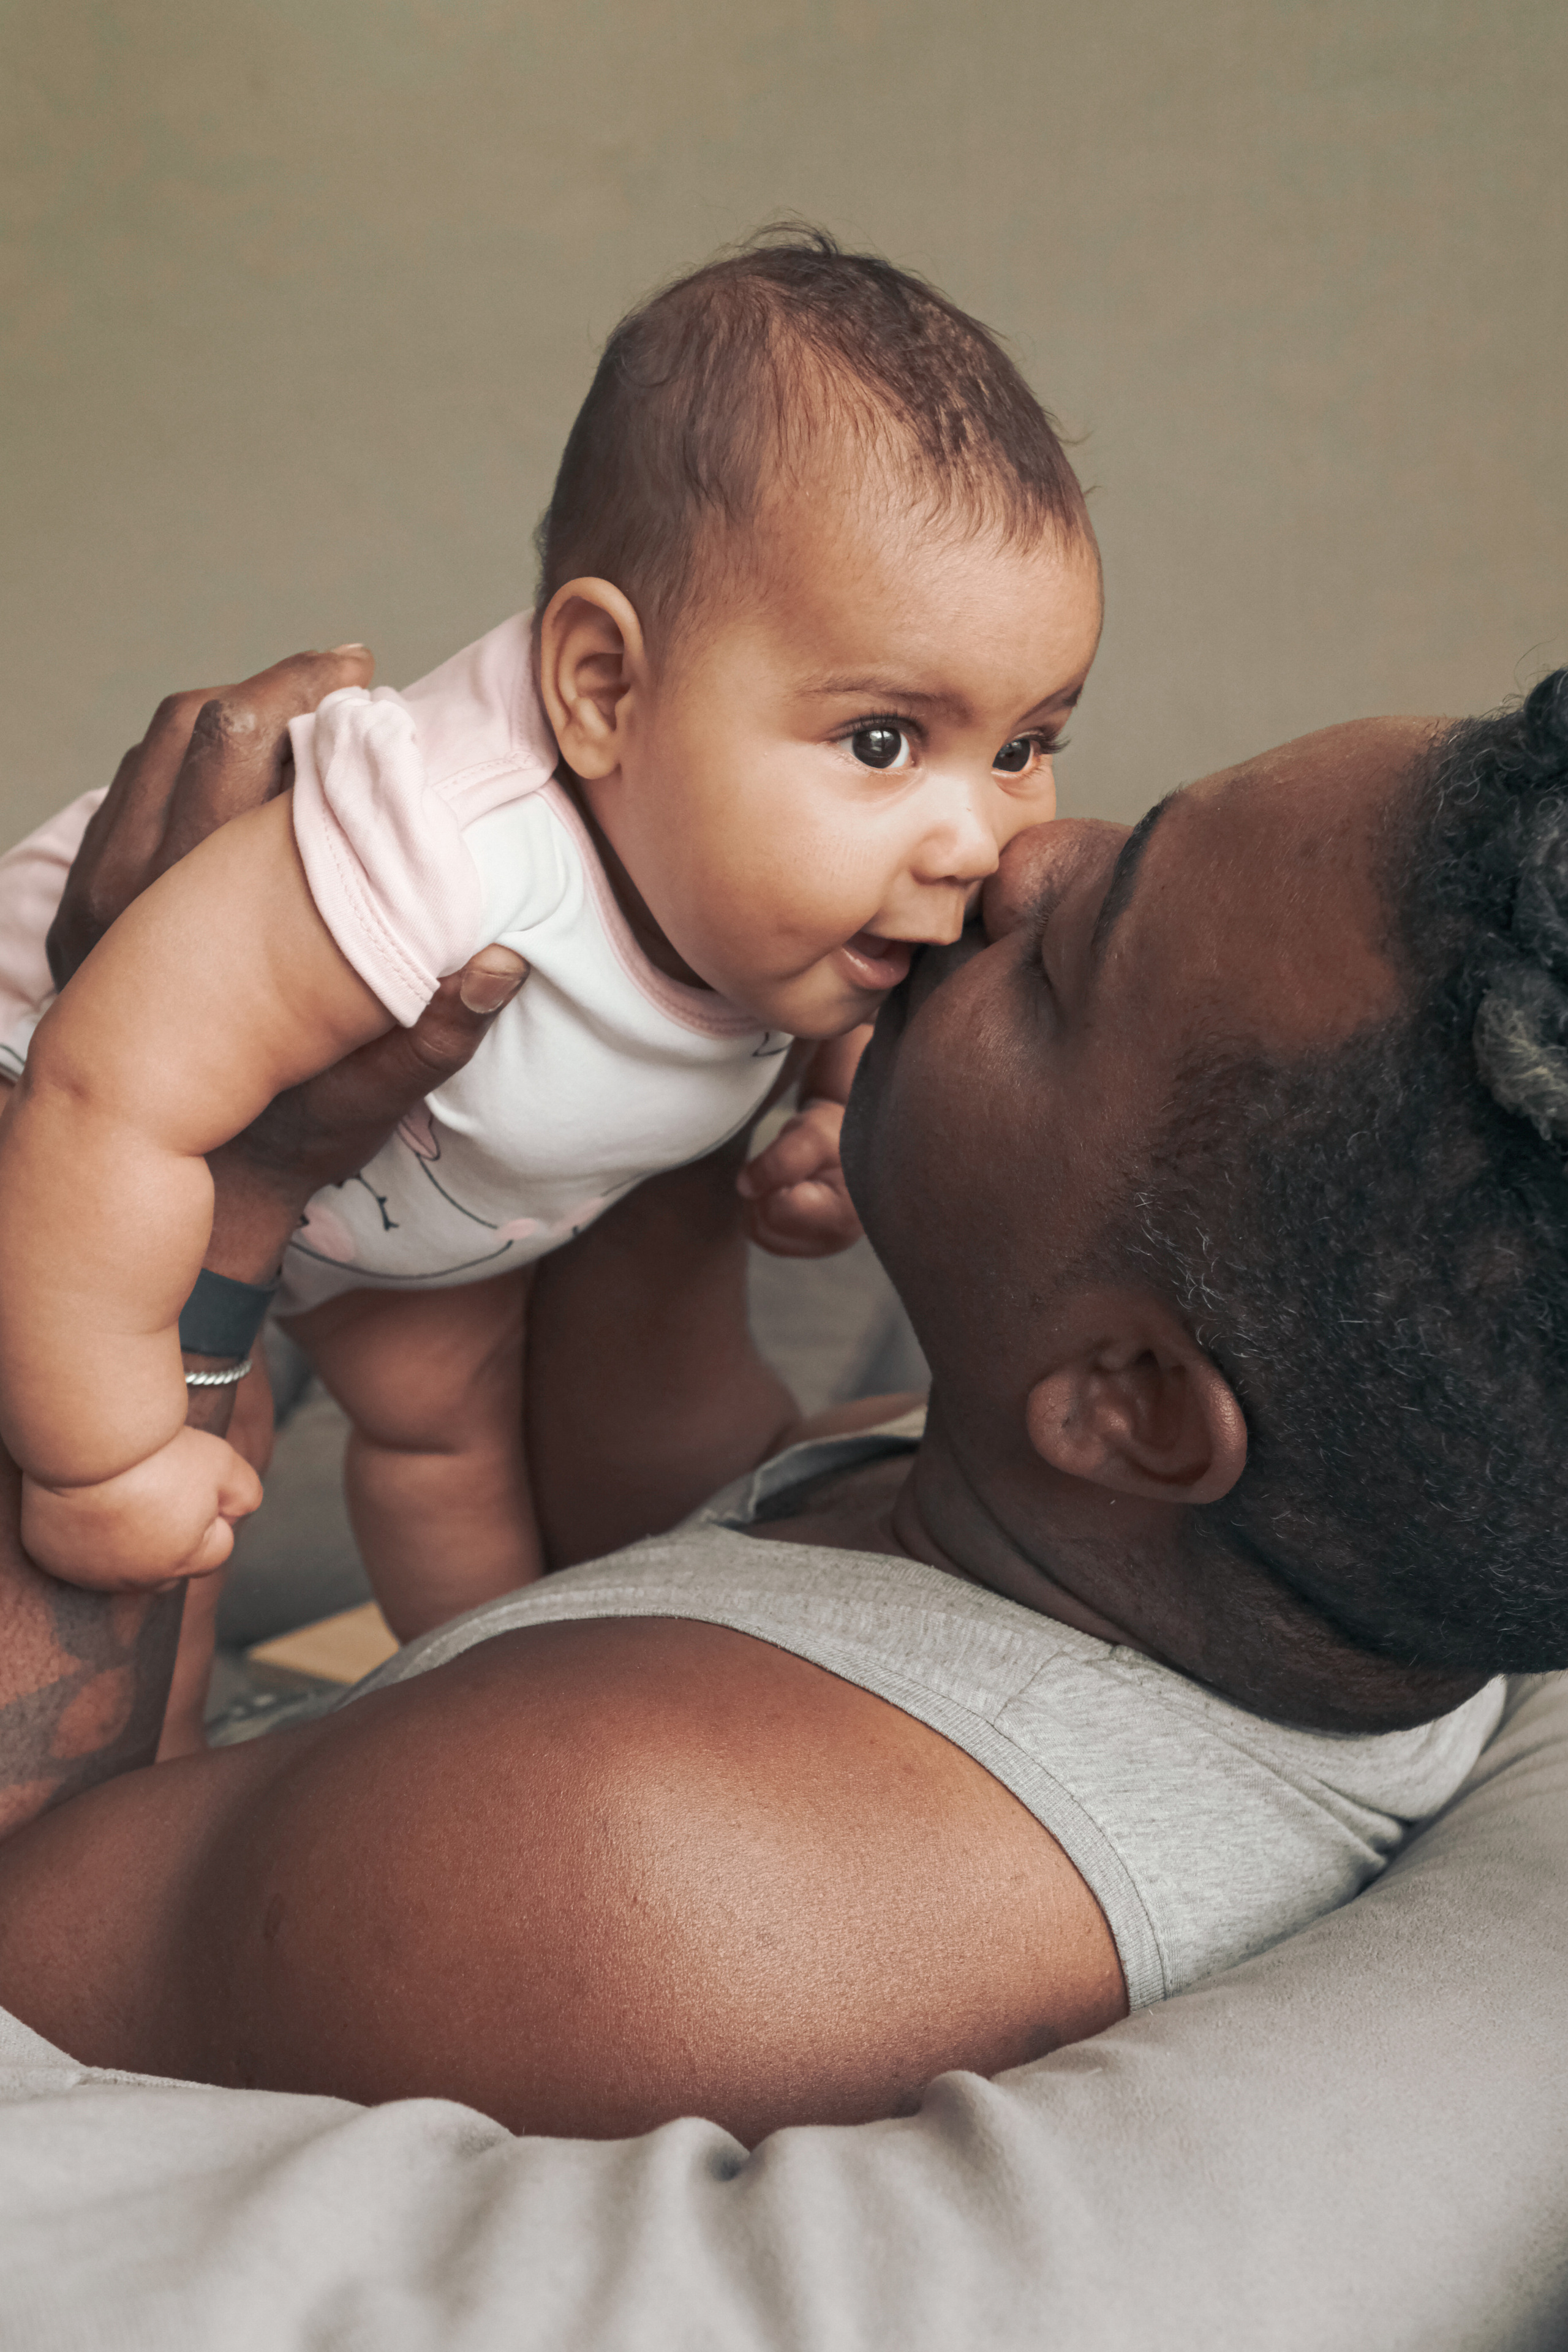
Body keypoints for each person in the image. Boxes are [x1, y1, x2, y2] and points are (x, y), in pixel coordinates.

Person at [0, 664, 1566, 2348]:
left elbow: (26, 1924)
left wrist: (188, 1173)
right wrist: (678, 1074)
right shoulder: (1248, 1561)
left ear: (1132, 1405)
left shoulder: (649, 1872)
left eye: (1066, 962)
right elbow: (684, 1557)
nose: (1021, 860)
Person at [0, 231, 1100, 1654]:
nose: (970, 841)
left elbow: (860, 994)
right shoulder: (440, 846)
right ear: (601, 689)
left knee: (447, 1435)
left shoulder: (821, 896)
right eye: (881, 741)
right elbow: (107, 1094)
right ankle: (140, 1699)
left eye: (1021, 746)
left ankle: (463, 1696)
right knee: (193, 1457)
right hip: (69, 1131)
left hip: (405, 1216)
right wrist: (100, 1459)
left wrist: (831, 1111)